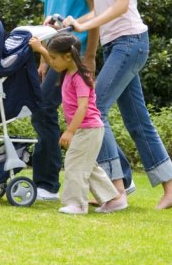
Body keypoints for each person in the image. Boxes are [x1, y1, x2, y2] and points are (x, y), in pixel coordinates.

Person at [63, 0, 172, 210]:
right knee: (137, 120)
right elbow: (99, 9)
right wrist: (74, 21)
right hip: (116, 45)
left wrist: (88, 22)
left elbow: (119, 6)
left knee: (94, 109)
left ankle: (115, 191)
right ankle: (171, 190)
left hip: (131, 41)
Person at [20, 0, 135, 201]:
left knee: (49, 109)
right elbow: (48, 8)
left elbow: (95, 8)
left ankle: (46, 184)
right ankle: (121, 173)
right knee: (59, 111)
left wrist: (89, 56)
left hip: (77, 52)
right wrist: (44, 56)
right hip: (55, 54)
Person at [29, 33, 127, 214]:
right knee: (89, 167)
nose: (53, 62)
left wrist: (69, 131)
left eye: (54, 58)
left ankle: (77, 204)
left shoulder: (81, 77)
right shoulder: (68, 71)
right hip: (86, 129)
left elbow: (83, 108)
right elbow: (54, 65)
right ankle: (114, 199)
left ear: (67, 57)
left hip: (88, 129)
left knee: (74, 164)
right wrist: (41, 50)